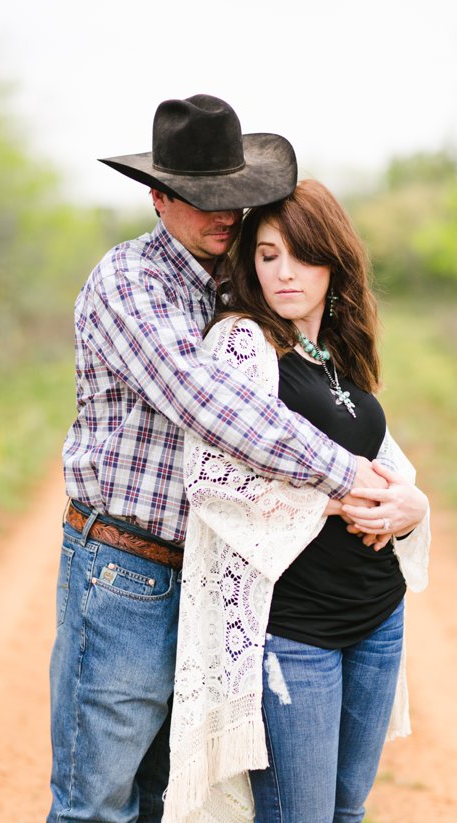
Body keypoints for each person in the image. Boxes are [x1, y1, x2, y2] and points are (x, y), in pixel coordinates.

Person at [52, 95, 390, 823]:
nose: (222, 215)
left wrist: (398, 487)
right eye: (199, 200)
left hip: (224, 575)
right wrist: (345, 474)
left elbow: (313, 393)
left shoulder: (240, 283)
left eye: (232, 198)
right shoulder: (130, 282)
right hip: (130, 569)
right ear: (158, 196)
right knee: (100, 802)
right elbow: (209, 402)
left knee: (185, 792)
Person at [164, 179, 431, 822]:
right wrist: (333, 502)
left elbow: (386, 465)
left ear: (333, 260)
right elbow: (209, 480)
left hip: (376, 617)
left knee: (347, 811)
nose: (284, 273)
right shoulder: (241, 344)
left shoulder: (338, 354)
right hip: (292, 631)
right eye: (266, 255)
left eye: (302, 254)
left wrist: (413, 506)